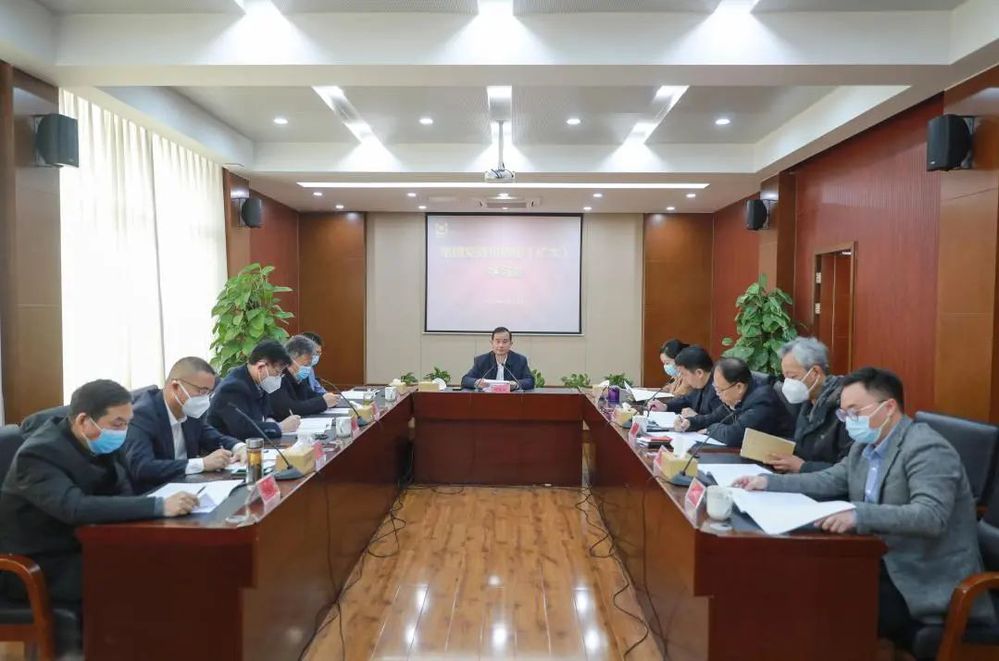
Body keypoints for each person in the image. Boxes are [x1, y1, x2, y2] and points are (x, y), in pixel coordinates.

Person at [734, 367, 995, 654]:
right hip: (877, 558)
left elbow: (930, 516)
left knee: (823, 605)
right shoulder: (865, 446)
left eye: (855, 411)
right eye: (844, 413)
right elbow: (829, 479)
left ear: (889, 407)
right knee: (800, 581)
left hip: (920, 576)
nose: (849, 421)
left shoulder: (926, 449)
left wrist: (858, 514)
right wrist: (767, 482)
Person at [0, 380, 198, 606]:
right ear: (83, 421)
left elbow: (123, 489)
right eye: (118, 423)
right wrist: (159, 505)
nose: (123, 431)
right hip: (42, 563)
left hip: (88, 542)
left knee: (171, 556)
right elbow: (75, 507)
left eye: (127, 423)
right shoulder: (38, 454)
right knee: (147, 575)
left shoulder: (97, 441)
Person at [123, 357, 248, 492]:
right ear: (176, 387)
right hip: (154, 493)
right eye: (202, 391)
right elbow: (142, 467)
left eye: (209, 393)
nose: (205, 399)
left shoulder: (189, 411)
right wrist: (202, 464)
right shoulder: (142, 415)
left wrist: (239, 447)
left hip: (187, 487)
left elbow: (213, 437)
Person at [768, 337, 852, 474]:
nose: (788, 384)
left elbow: (850, 471)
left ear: (815, 372)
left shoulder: (845, 407)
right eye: (785, 377)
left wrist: (803, 467)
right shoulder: (807, 401)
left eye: (792, 377)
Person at [678, 357, 793, 447]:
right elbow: (713, 417)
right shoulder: (739, 396)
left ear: (739, 387)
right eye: (716, 388)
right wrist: (690, 423)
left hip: (774, 459)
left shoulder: (762, 401)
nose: (717, 394)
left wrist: (710, 429)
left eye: (720, 390)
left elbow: (733, 436)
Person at [207, 340, 302, 440]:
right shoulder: (233, 388)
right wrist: (280, 427)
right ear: (261, 367)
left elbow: (267, 414)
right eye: (277, 372)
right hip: (227, 446)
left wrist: (270, 421)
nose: (279, 378)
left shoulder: (258, 381)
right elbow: (242, 429)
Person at [650, 346, 725, 430]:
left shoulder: (718, 390)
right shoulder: (699, 384)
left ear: (699, 373)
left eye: (683, 374)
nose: (682, 378)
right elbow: (686, 400)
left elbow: (719, 421)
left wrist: (696, 418)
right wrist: (665, 406)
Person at [268, 335, 340, 420]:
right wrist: (323, 402)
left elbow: (310, 396)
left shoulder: (298, 377)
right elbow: (289, 409)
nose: (308, 368)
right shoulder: (276, 376)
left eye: (309, 365)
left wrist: (330, 399)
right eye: (306, 364)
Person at [461, 326, 535, 391]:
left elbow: (530, 381)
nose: (501, 345)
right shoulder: (481, 360)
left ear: (510, 344)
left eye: (504, 342)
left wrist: (516, 384)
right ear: (492, 343)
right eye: (497, 341)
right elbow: (465, 380)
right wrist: (477, 382)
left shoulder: (520, 360)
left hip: (511, 399)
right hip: (487, 399)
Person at [302, 331, 327, 395]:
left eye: (320, 353)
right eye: (317, 352)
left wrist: (332, 397)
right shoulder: (290, 370)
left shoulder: (309, 368)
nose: (318, 356)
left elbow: (318, 389)